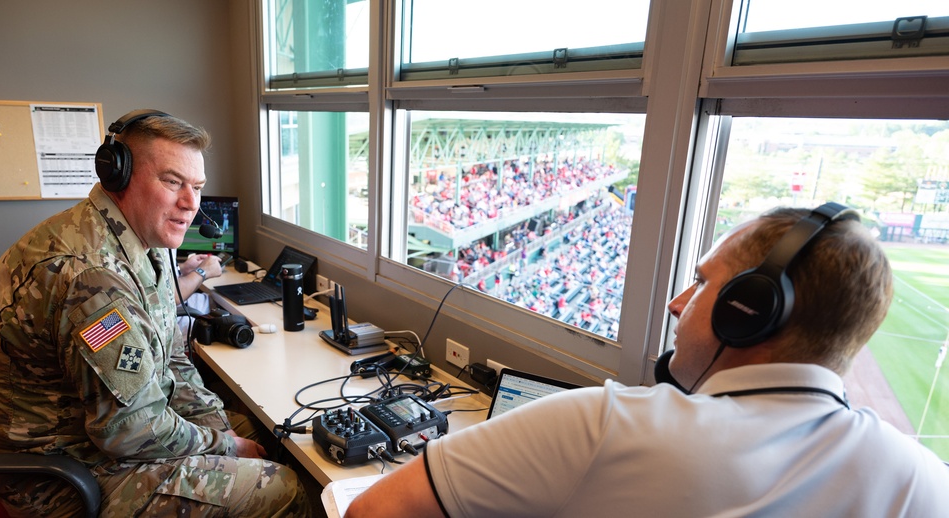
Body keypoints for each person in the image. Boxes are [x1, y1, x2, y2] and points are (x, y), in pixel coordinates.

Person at [345, 204, 949, 517]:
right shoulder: (923, 482)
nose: (676, 303)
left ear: (748, 310)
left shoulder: (599, 425)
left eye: (701, 283)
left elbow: (374, 512)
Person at [0, 110, 308, 517]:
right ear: (119, 175)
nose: (190, 204)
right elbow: (130, 431)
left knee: (265, 437)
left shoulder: (144, 245)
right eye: (172, 182)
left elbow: (172, 357)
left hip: (108, 439)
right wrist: (227, 447)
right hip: (65, 477)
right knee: (283, 488)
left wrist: (217, 426)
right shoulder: (91, 276)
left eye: (197, 187)